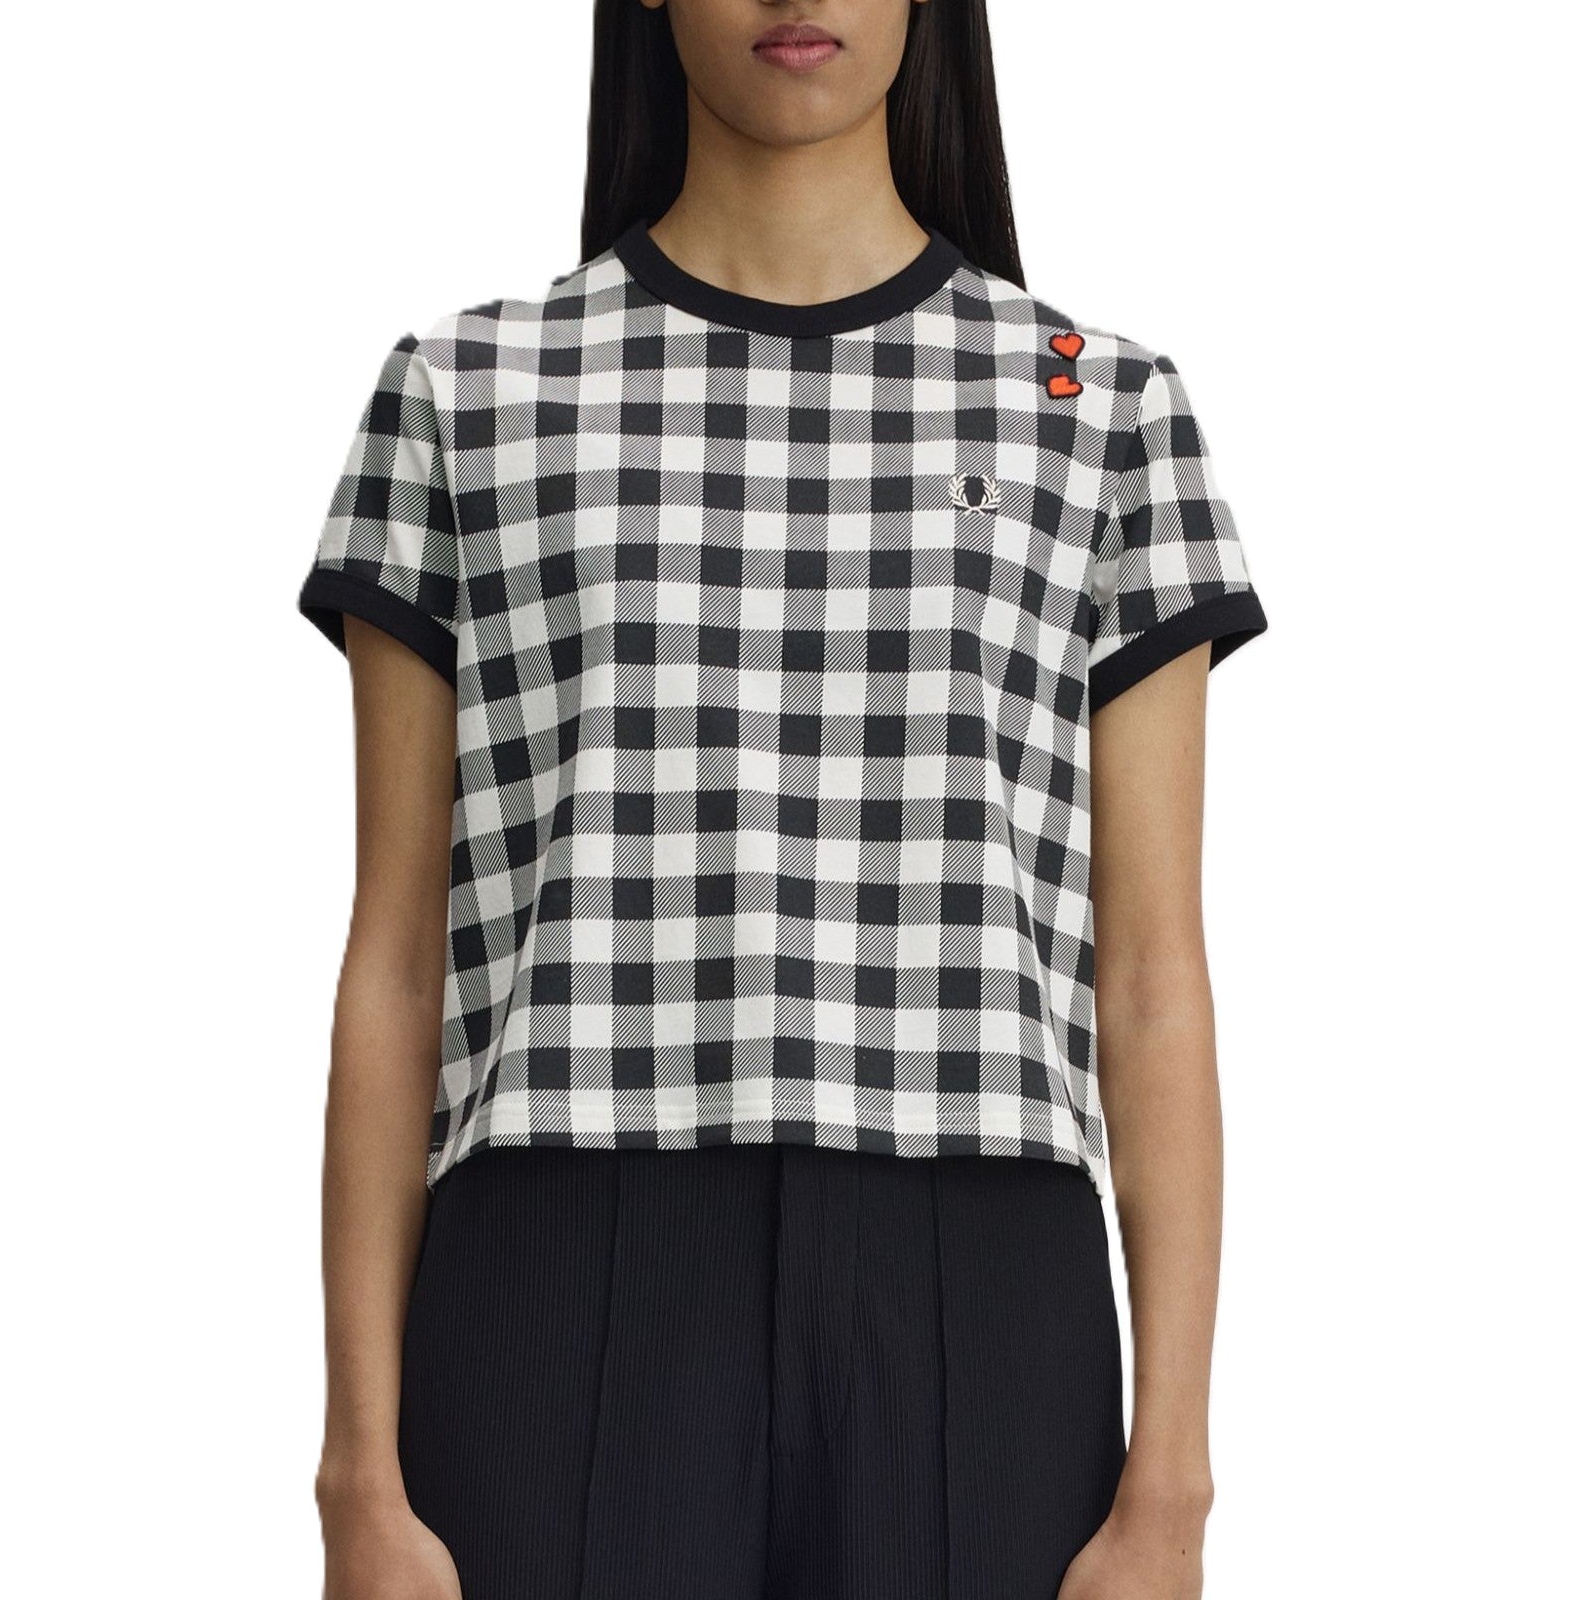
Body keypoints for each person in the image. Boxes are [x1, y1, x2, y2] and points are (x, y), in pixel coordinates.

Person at [296, 2, 1269, 1597]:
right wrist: (355, 1466)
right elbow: (397, 958)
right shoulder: (468, 393)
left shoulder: (1099, 411)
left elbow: (1153, 977)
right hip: (559, 1257)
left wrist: (1174, 1479)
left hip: (975, 1269)